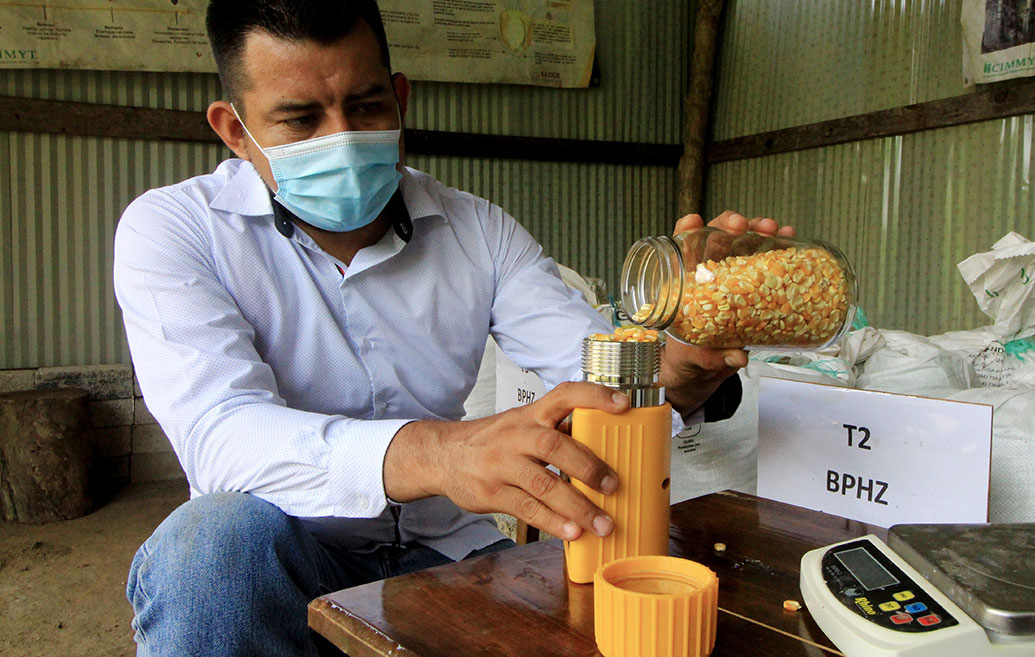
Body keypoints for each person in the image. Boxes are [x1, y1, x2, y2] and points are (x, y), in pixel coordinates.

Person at [114, 1, 793, 655]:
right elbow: (221, 433)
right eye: (299, 119)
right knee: (210, 548)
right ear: (235, 130)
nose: (342, 138)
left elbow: (593, 372)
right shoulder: (176, 231)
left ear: (401, 97)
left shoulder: (479, 231)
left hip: (446, 553)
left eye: (366, 105)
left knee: (635, 579)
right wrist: (443, 453)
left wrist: (678, 365)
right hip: (280, 556)